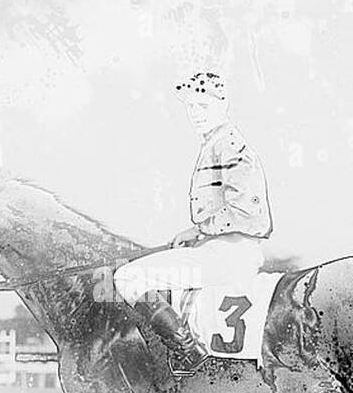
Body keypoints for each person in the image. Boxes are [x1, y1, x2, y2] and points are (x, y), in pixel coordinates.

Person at [112, 71, 272, 374]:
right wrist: (196, 231)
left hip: (229, 255)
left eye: (203, 106)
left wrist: (202, 230)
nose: (195, 115)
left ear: (222, 104)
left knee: (127, 278)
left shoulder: (230, 146)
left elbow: (249, 214)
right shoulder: (215, 143)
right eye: (190, 108)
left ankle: (188, 351)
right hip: (220, 250)